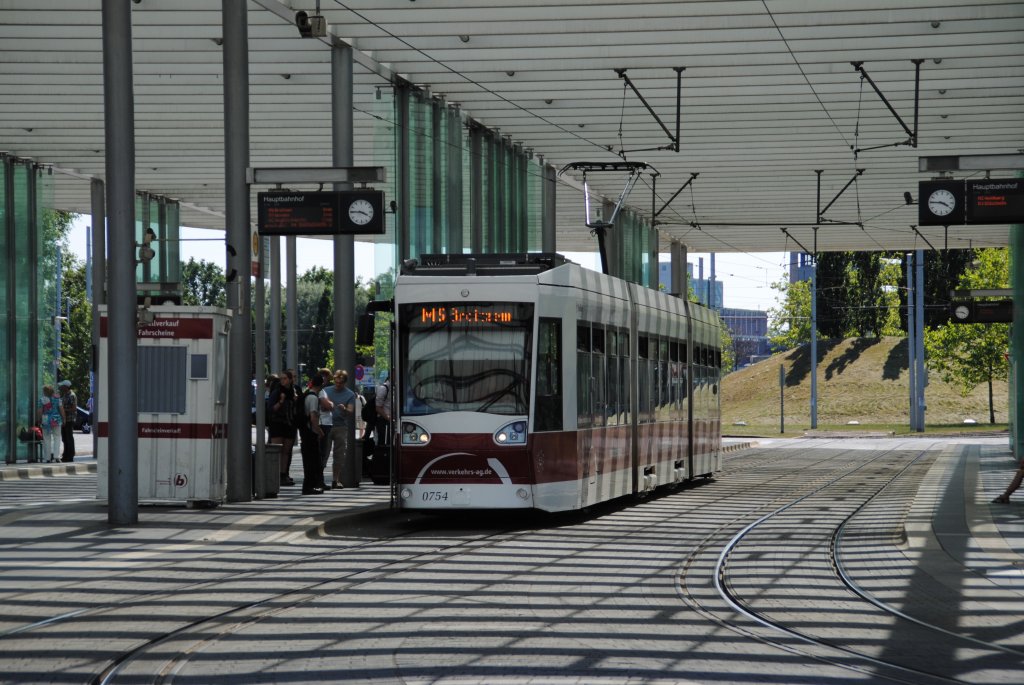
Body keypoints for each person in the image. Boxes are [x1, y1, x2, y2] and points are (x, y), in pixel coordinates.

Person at [322, 369, 357, 489]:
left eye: (340, 383)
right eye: (336, 382)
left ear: (344, 382)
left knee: (339, 455)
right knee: (323, 453)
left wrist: (344, 409)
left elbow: (351, 411)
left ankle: (335, 480)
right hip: (326, 425)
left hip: (341, 427)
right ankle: (320, 479)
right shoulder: (326, 391)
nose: (337, 385)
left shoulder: (350, 394)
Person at [266, 371, 297, 486]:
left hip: (289, 423)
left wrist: (296, 400)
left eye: (285, 378)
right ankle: (274, 475)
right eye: (281, 379)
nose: (282, 381)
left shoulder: (294, 391)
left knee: (286, 451)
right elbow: (271, 409)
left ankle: (283, 475)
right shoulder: (277, 391)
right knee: (277, 450)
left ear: (290, 380)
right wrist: (281, 401)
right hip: (277, 423)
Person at [298, 373, 326, 494]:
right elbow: (313, 417)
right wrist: (319, 431)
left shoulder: (306, 395)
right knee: (312, 461)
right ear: (321, 385)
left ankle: (310, 485)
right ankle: (309, 486)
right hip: (310, 433)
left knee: (308, 460)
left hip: (304, 431)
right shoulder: (313, 398)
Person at [316, 368, 334, 488]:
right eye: (323, 376)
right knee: (323, 452)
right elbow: (326, 405)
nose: (325, 379)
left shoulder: (321, 391)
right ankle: (319, 480)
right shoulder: (321, 392)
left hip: (324, 422)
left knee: (323, 452)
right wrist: (331, 404)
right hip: (324, 423)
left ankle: (319, 479)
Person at [37, 385, 64, 464]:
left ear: (45, 392)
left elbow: (39, 411)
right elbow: (61, 409)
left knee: (46, 438)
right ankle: (56, 457)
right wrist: (64, 418)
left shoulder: (41, 400)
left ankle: (48, 458)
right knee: (57, 437)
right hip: (56, 420)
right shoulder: (57, 399)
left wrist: (39, 420)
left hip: (45, 420)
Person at [57, 380, 77, 462]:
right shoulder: (65, 395)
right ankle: (65, 455)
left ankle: (70, 455)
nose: (61, 388)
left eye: (62, 386)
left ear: (66, 387)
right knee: (64, 438)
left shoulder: (71, 395)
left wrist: (63, 410)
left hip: (69, 419)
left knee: (69, 437)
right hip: (64, 419)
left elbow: (74, 408)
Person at [375, 375, 393, 446]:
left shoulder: (395, 388)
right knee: (383, 443)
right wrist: (388, 418)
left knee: (390, 441)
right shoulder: (383, 388)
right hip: (383, 420)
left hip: (390, 420)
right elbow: (378, 407)